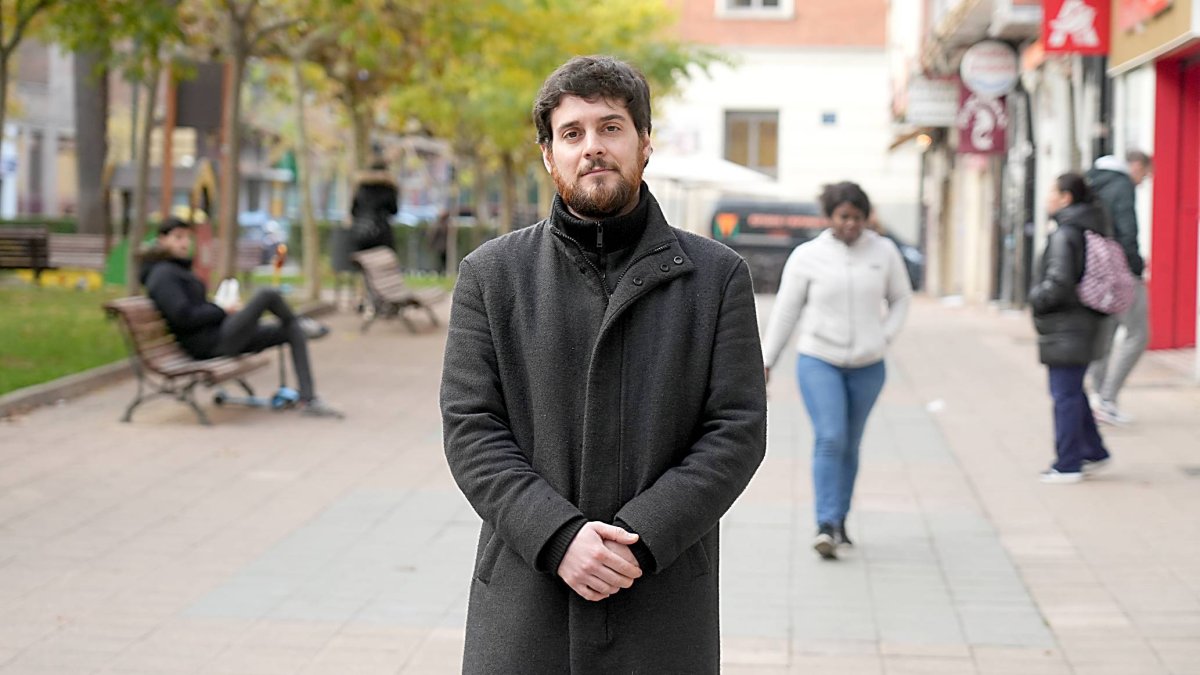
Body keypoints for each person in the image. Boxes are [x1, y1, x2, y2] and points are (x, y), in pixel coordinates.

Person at [440, 55, 766, 673]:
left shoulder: (718, 277)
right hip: (527, 592)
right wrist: (558, 537)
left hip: (660, 593)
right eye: (573, 132)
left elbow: (736, 431)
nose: (592, 147)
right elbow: (471, 428)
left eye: (611, 127)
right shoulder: (491, 275)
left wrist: (639, 541)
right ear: (548, 154)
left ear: (645, 144)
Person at [761, 182, 912, 560]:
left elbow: (901, 299)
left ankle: (841, 519)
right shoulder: (807, 256)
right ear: (829, 218)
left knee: (851, 443)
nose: (850, 225)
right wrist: (766, 360)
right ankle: (825, 523)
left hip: (868, 365)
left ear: (866, 218)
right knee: (830, 437)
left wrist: (885, 337)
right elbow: (786, 311)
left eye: (857, 218)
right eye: (843, 217)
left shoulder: (884, 251)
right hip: (818, 360)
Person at [140, 218, 342, 418]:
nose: (185, 243)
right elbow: (183, 317)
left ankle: (308, 399)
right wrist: (221, 309)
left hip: (220, 333)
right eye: (178, 237)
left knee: (291, 330)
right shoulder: (163, 275)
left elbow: (196, 308)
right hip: (209, 344)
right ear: (162, 240)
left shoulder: (177, 270)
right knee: (266, 294)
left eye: (187, 237)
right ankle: (298, 320)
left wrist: (220, 309)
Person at [1028, 173, 1112, 483]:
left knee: (1064, 394)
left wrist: (1036, 298)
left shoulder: (1066, 233)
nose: (1047, 198)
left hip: (1067, 325)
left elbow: (1060, 282)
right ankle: (1094, 450)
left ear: (1066, 198)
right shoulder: (1092, 225)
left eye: (1052, 191)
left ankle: (1068, 463)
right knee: (1073, 390)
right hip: (1084, 322)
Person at [1086, 150, 1152, 425]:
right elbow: (1127, 229)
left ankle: (1099, 398)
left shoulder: (1093, 181)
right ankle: (1107, 399)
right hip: (1120, 269)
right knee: (1139, 334)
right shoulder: (1121, 185)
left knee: (1107, 332)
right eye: (1145, 173)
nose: (1144, 180)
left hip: (1096, 270)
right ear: (1135, 165)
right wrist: (1136, 265)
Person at [349, 160, 399, 252]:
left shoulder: (361, 188)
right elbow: (394, 210)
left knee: (364, 262)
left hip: (362, 232)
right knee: (382, 262)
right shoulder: (388, 189)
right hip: (381, 234)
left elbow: (353, 211)